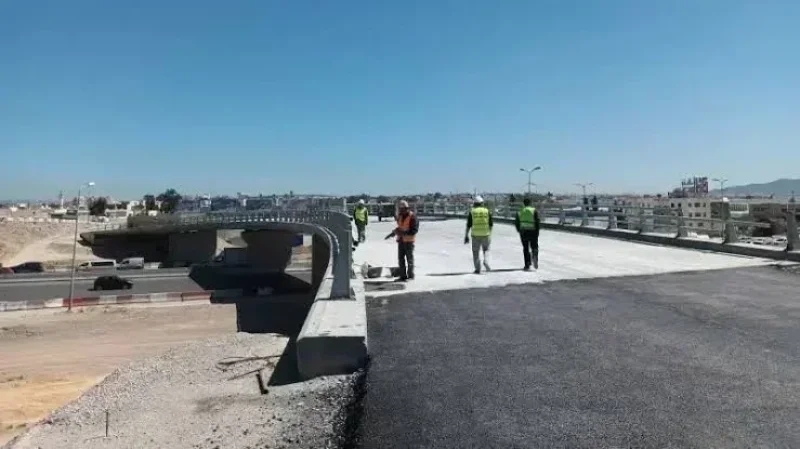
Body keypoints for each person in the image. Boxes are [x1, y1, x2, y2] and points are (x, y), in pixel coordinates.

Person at [385, 200, 418, 281]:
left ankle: (410, 276)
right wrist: (393, 233)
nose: (401, 211)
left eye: (402, 209)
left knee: (409, 259)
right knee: (401, 259)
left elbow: (414, 230)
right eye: (400, 209)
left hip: (409, 241)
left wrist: (403, 233)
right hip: (401, 241)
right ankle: (403, 276)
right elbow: (400, 227)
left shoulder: (412, 217)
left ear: (406, 208)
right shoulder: (400, 216)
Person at [464, 195, 493, 274]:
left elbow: (468, 225)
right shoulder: (487, 211)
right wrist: (489, 233)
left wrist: (466, 235)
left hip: (475, 235)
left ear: (474, 204)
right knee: (486, 249)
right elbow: (490, 224)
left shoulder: (472, 212)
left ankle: (478, 269)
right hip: (486, 234)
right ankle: (486, 261)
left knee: (475, 252)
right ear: (482, 203)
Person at [514, 197, 541, 270]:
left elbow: (517, 223)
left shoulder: (520, 211)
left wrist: (519, 230)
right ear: (530, 203)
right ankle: (535, 256)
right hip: (533, 231)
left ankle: (527, 264)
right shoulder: (533, 210)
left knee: (525, 248)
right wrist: (537, 232)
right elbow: (537, 222)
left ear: (524, 203)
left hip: (523, 232)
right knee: (534, 246)